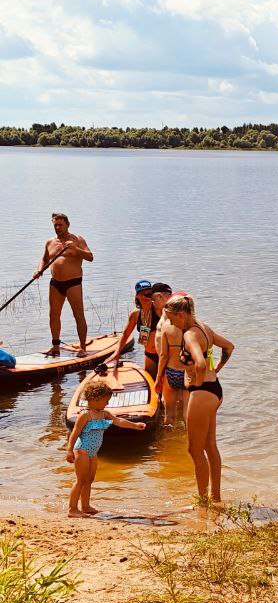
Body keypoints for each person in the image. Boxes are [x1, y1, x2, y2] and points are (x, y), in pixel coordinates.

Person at [164, 295, 234, 505]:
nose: (169, 323)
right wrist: (218, 369)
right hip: (215, 390)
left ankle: (203, 501)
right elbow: (229, 347)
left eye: (170, 318)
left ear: (181, 315)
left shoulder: (190, 336)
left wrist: (197, 382)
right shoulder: (205, 328)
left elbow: (201, 364)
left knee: (194, 450)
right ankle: (216, 497)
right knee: (210, 446)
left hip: (202, 393)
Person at [65, 378, 147, 516]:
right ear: (95, 398)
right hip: (82, 450)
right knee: (81, 480)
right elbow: (75, 433)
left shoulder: (104, 414)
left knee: (89, 480)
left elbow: (118, 421)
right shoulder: (85, 415)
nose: (107, 403)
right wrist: (69, 450)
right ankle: (72, 509)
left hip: (93, 453)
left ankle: (85, 506)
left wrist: (135, 425)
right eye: (106, 400)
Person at [34, 212, 93, 356]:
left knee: (78, 314)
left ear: (68, 224)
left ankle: (83, 348)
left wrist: (76, 249)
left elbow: (90, 257)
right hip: (55, 283)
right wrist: (39, 270)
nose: (58, 227)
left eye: (60, 225)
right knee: (53, 315)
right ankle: (55, 347)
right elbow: (44, 258)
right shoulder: (50, 242)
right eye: (55, 225)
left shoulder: (77, 239)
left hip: (73, 283)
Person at [114, 280, 171, 380]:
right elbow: (125, 335)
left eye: (149, 294)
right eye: (143, 294)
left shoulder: (159, 309)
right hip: (149, 355)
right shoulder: (135, 314)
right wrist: (117, 352)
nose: (146, 297)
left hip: (165, 355)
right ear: (137, 296)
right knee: (152, 384)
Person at [153, 290, 189, 427]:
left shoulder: (166, 327)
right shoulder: (194, 327)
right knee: (187, 413)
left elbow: (163, 355)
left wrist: (158, 378)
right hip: (187, 373)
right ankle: (186, 442)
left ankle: (168, 442)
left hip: (171, 371)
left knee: (169, 415)